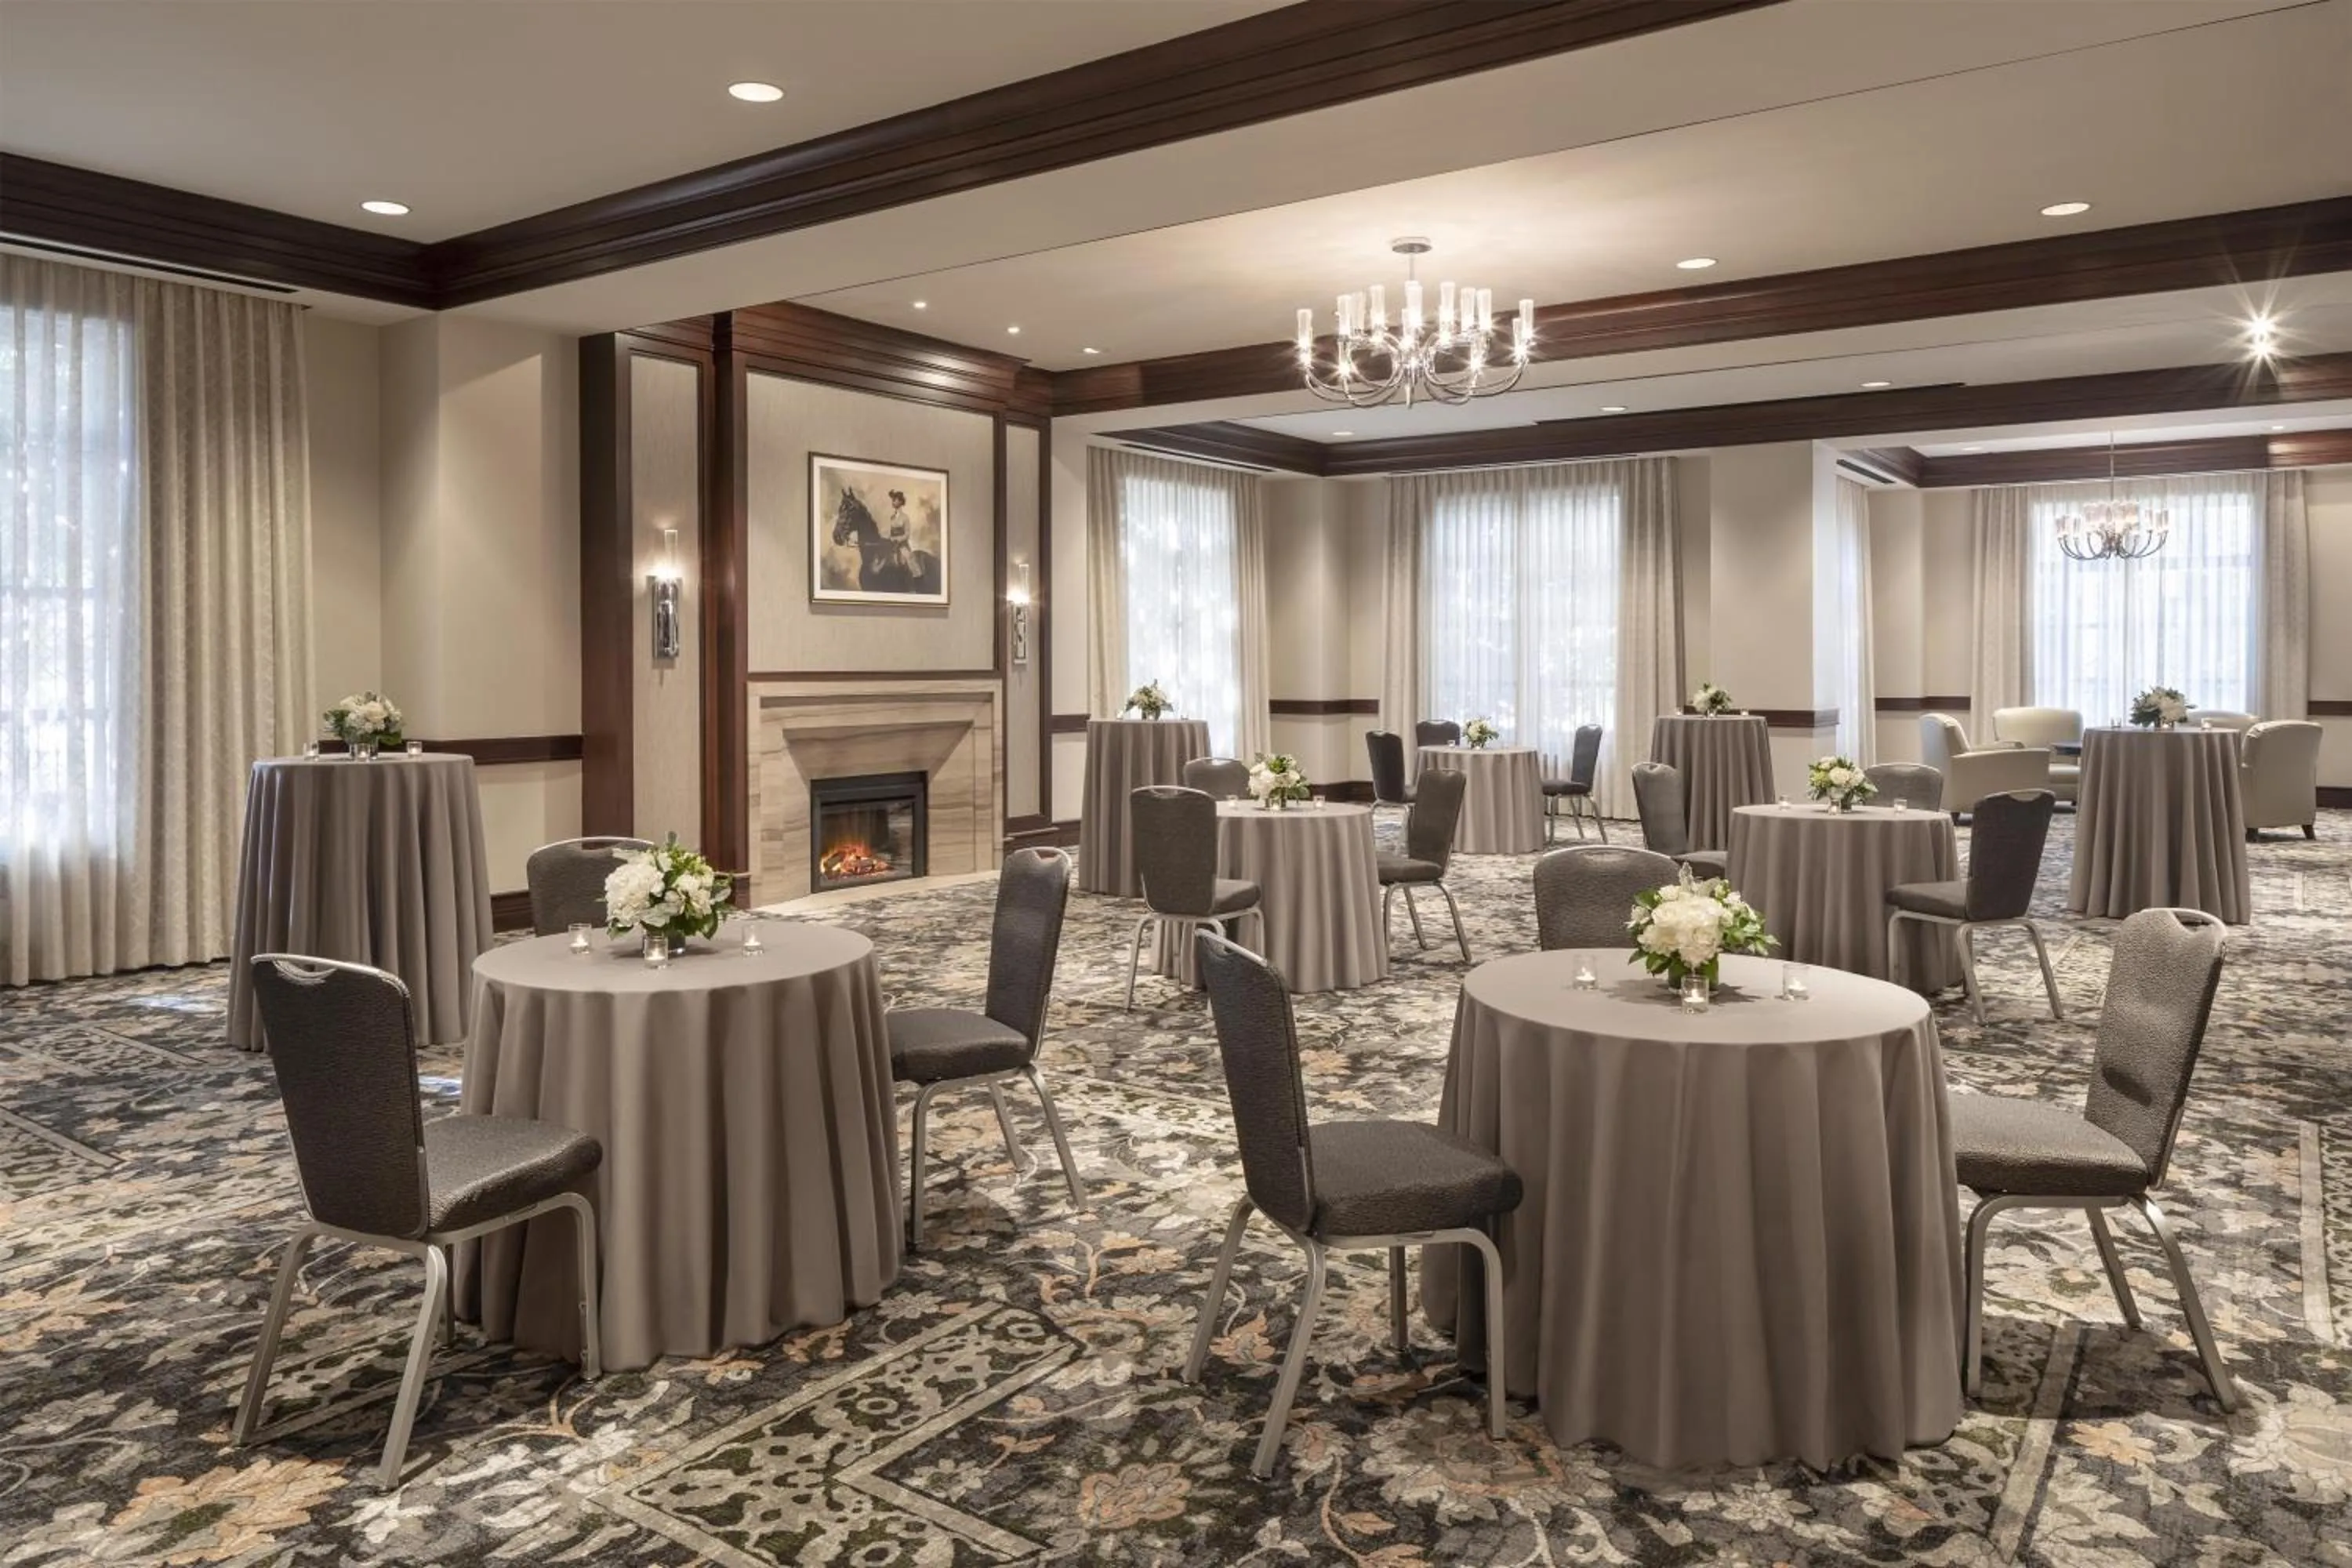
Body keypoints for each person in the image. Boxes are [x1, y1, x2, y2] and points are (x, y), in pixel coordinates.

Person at [886, 489, 913, 572]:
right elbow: (891, 533)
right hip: (892, 546)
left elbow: (907, 534)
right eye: (892, 500)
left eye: (895, 500)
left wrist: (897, 539)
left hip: (902, 546)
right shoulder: (892, 518)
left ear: (900, 502)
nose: (893, 501)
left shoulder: (905, 517)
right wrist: (889, 538)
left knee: (909, 562)